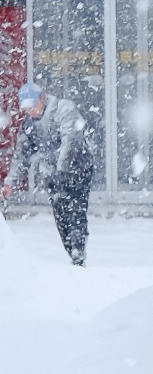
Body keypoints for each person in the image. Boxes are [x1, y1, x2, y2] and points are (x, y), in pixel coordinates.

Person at [1, 81, 95, 266]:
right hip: (54, 174)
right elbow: (21, 155)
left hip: (78, 169)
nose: (29, 111)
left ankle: (78, 250)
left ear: (42, 98)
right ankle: (72, 250)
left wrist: (61, 169)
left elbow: (69, 141)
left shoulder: (64, 109)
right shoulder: (29, 124)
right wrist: (9, 183)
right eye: (25, 108)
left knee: (75, 210)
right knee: (60, 214)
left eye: (32, 106)